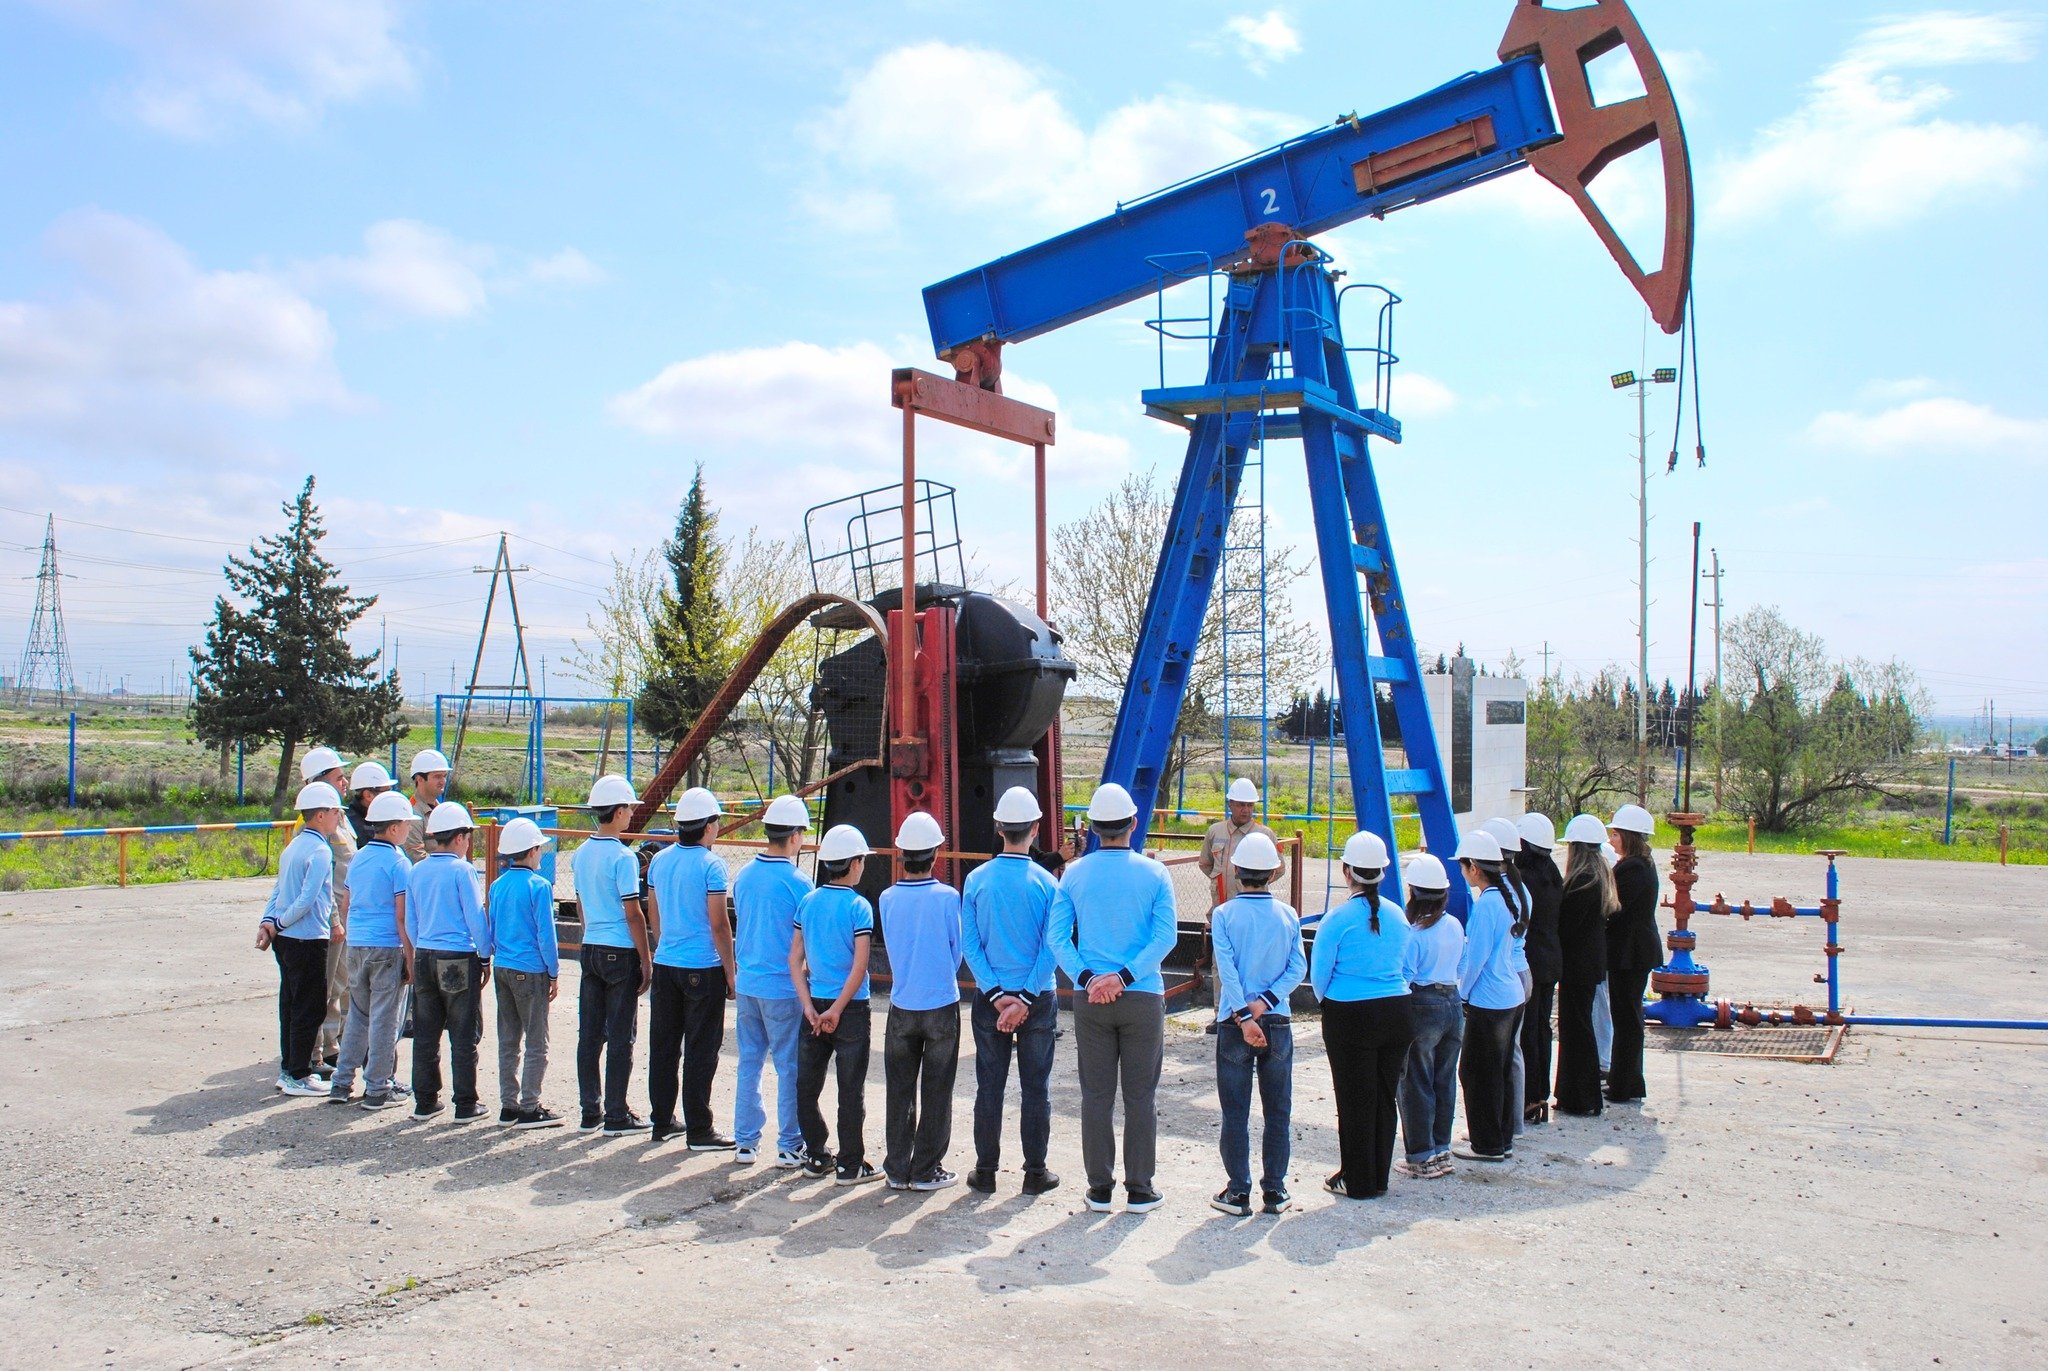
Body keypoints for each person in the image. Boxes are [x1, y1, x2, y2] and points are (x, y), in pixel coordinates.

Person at [1049, 782, 1178, 1214]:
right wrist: (1124, 976)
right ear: (1133, 824)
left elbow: (1057, 938)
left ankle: (1099, 1189)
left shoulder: (1074, 874)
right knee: (1140, 1097)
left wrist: (1089, 978)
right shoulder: (1155, 874)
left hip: (1091, 1000)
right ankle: (1140, 1188)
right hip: (1141, 996)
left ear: (1093, 829)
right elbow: (1165, 937)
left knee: (1096, 1095)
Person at [960, 787, 1061, 1196]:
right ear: (1035, 829)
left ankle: (985, 1172)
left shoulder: (976, 880)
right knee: (1036, 1087)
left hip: (991, 1000)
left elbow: (970, 945)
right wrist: (1025, 999)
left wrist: (996, 994)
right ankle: (1035, 1173)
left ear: (999, 828)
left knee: (990, 1086)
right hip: (1037, 999)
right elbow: (1052, 946)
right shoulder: (1048, 883)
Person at [1310, 831, 1413, 1199]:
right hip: (1397, 1010)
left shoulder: (1337, 919)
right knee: (1384, 1096)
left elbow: (1319, 975)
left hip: (1349, 1013)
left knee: (1353, 1098)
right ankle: (1378, 1177)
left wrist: (1331, 1004)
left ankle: (1357, 1180)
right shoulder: (1398, 915)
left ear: (1346, 871)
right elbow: (1407, 966)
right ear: (1383, 872)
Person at [1208, 832, 1304, 1217]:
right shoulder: (1288, 915)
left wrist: (1245, 1015)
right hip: (1277, 1018)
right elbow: (1297, 968)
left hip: (1234, 1021)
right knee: (1277, 1110)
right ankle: (1275, 1190)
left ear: (1236, 871)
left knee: (1235, 1112)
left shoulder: (1224, 915)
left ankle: (1237, 1191)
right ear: (1273, 873)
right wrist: (1265, 1003)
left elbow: (1227, 970)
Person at [644, 787, 738, 1150]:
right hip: (703, 966)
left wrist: (664, 944)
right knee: (701, 1050)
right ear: (709, 825)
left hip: (666, 963)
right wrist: (729, 970)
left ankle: (662, 1121)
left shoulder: (660, 861)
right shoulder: (712, 865)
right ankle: (699, 1129)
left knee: (664, 1047)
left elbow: (653, 912)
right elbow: (719, 924)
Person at [879, 811, 964, 1192]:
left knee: (899, 1089)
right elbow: (956, 951)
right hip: (941, 1001)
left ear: (901, 854)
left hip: (902, 1003)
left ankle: (897, 1167)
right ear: (936, 854)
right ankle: (926, 1168)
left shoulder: (887, 898)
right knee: (937, 1088)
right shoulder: (948, 898)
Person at [729, 794, 815, 1168]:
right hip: (783, 987)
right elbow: (808, 939)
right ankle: (789, 1144)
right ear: (794, 836)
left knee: (749, 1062)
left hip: (748, 983)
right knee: (788, 1067)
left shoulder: (744, 876)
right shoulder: (799, 883)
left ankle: (745, 1142)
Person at [791, 824, 880, 1186]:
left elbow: (794, 959)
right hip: (850, 1008)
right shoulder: (859, 906)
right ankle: (850, 1164)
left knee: (806, 1086)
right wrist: (838, 1009)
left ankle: (816, 1154)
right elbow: (860, 967)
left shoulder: (808, 902)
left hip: (814, 1005)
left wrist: (809, 1006)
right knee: (850, 1089)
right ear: (855, 863)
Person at [573, 774, 653, 1137]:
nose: (631, 815)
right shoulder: (623, 857)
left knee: (590, 1034)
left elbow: (580, 904)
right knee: (621, 1036)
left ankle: (590, 1111)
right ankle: (617, 1113)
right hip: (619, 950)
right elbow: (633, 913)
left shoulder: (580, 853)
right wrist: (646, 959)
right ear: (619, 811)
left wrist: (590, 934)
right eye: (629, 809)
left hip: (590, 945)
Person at [406, 801, 493, 1123]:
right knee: (463, 1033)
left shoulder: (417, 870)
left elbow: (411, 920)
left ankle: (425, 1101)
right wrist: (485, 955)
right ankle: (466, 1104)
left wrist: (420, 948)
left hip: (424, 954)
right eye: (468, 837)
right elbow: (475, 917)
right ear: (459, 837)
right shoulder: (462, 870)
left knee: (426, 1034)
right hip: (457, 957)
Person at [329, 790, 415, 1110]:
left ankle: (341, 1082)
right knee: (384, 1020)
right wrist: (411, 959)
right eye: (406, 824)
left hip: (357, 945)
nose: (409, 829)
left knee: (358, 1016)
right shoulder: (399, 863)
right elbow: (402, 916)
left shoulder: (359, 857)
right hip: (387, 946)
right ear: (394, 828)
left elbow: (347, 904)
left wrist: (353, 939)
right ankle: (378, 1087)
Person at [256, 781, 343, 1098]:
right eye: (335, 812)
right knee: (309, 1008)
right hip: (307, 938)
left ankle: (289, 1068)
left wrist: (269, 922)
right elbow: (307, 899)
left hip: (287, 939)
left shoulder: (293, 846)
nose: (338, 817)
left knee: (291, 1005)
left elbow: (278, 890)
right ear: (320, 815)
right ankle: (299, 1074)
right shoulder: (320, 850)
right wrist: (278, 922)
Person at [1453, 829, 1525, 1162]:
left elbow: (1476, 958)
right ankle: (1501, 1137)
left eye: (1462, 866)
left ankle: (1486, 1144)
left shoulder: (1487, 905)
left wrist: (1463, 993)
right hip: (1510, 994)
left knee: (1475, 1072)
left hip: (1490, 999)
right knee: (1500, 1071)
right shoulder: (1508, 895)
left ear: (1474, 868)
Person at [1394, 853, 1464, 1179]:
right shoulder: (1454, 925)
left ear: (1413, 892)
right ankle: (1441, 1149)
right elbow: (1462, 965)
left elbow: (1405, 976)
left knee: (1416, 1081)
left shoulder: (1414, 933)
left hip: (1423, 1002)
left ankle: (1421, 1155)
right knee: (1444, 1079)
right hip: (1453, 1001)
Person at [491, 816, 562, 1129]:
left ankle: (509, 1105)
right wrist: (553, 972)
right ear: (532, 851)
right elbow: (546, 934)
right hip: (530, 968)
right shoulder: (539, 886)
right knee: (536, 1041)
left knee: (508, 1039)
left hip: (503, 966)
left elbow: (492, 927)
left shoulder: (497, 885)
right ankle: (530, 1107)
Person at [1197, 777, 1280, 1024]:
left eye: (1250, 805)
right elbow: (1206, 864)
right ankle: (1221, 1015)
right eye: (1241, 804)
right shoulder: (1215, 832)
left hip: (1255, 911)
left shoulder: (1264, 834)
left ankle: (1255, 1011)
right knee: (1221, 964)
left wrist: (1255, 884)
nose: (1246, 810)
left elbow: (1278, 868)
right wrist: (1220, 882)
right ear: (1230, 804)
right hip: (1223, 910)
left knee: (1253, 962)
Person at [299, 746, 357, 1080]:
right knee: (324, 987)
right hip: (328, 918)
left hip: (345, 914)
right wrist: (334, 920)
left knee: (341, 982)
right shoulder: (312, 827)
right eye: (338, 777)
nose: (345, 782)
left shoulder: (340, 819)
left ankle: (332, 1045)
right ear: (319, 782)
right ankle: (316, 1053)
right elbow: (320, 880)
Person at [1553, 814, 1617, 1116]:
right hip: (1589, 963)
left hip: (1578, 965)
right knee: (1580, 1027)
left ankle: (1579, 1096)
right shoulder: (1599, 875)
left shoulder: (1582, 881)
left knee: (1575, 1029)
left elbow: (1567, 927)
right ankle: (1581, 1095)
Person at [1605, 803, 1663, 1104]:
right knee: (1628, 1016)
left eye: (1615, 834)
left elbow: (1615, 909)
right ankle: (1626, 1080)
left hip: (1630, 952)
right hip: (1634, 950)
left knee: (1626, 1018)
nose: (1611, 840)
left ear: (1628, 836)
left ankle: (1624, 1084)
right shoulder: (1642, 864)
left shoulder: (1632, 869)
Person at [1481, 816, 1531, 1138]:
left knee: (1497, 1059)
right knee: (1513, 1054)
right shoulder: (1520, 889)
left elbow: (1483, 950)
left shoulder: (1496, 895)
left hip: (1502, 976)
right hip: (1521, 971)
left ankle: (1504, 1126)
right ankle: (1513, 1124)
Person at [1515, 813, 1564, 1125]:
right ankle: (1540, 1093)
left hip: (1530, 962)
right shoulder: (1552, 874)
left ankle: (1528, 1096)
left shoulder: (1523, 879)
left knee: (1527, 1032)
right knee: (1542, 1029)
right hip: (1550, 960)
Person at [402, 749, 451, 864]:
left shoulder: (441, 811)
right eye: (437, 776)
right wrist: (447, 867)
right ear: (419, 779)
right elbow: (416, 856)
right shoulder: (412, 814)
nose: (443, 781)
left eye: (444, 776)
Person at [345, 760, 395, 846]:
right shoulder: (351, 823)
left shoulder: (382, 817)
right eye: (386, 792)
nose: (389, 796)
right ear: (368, 795)